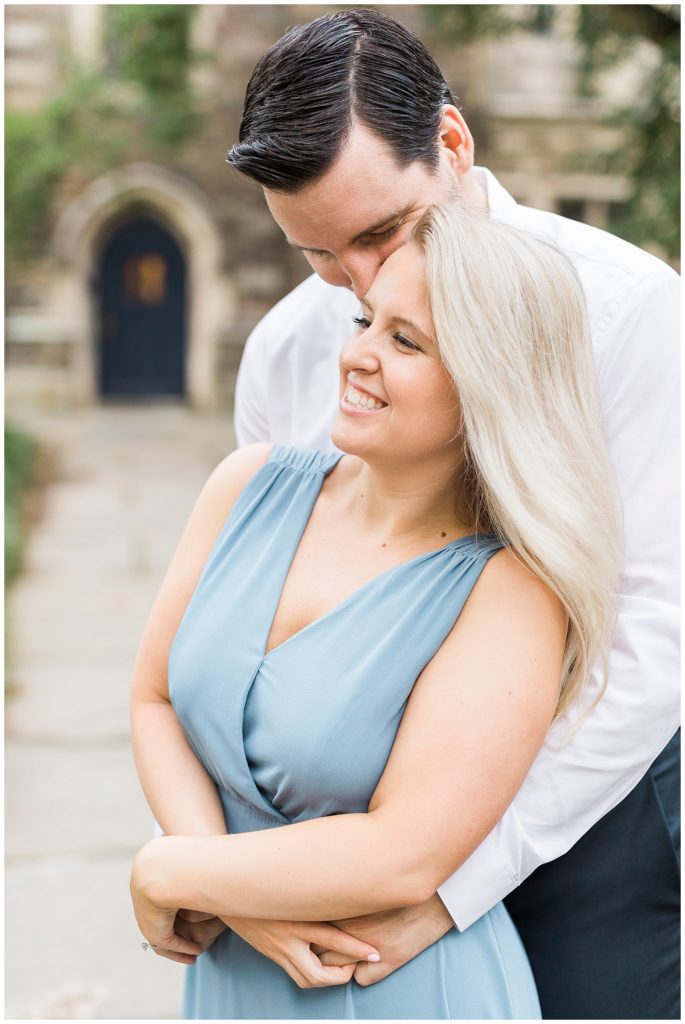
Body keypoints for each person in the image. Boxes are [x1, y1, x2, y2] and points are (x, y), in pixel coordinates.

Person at [223, 9, 680, 1020]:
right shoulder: (287, 354)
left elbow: (657, 631)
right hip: (338, 842)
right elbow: (249, 607)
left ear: (454, 144)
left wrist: (440, 878)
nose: (365, 285)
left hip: (586, 830)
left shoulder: (629, 310)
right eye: (321, 257)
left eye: (382, 232)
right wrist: (241, 868)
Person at [131, 198, 621, 1019]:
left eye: (405, 341)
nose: (357, 355)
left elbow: (402, 855)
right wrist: (222, 884)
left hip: (394, 990)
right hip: (232, 969)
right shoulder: (244, 486)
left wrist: (168, 874)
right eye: (364, 319)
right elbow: (154, 700)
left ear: (488, 385)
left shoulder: (511, 589)